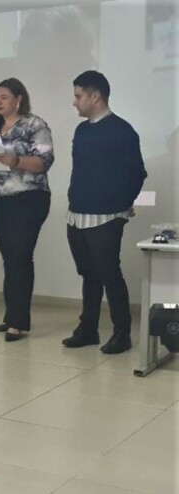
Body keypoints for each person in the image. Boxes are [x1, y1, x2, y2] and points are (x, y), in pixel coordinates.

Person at [62, 70, 146, 354]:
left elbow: (137, 173)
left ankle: (122, 334)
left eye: (78, 96)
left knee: (110, 273)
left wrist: (123, 203)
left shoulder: (122, 130)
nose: (74, 102)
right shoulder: (82, 130)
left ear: (95, 96)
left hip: (107, 217)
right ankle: (88, 329)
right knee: (89, 274)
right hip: (77, 214)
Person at [0, 78, 54, 342]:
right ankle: (11, 315)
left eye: (4, 97)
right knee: (9, 257)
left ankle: (18, 322)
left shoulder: (35, 125)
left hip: (29, 199)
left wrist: (15, 160)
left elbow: (43, 162)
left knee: (20, 255)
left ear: (19, 99)